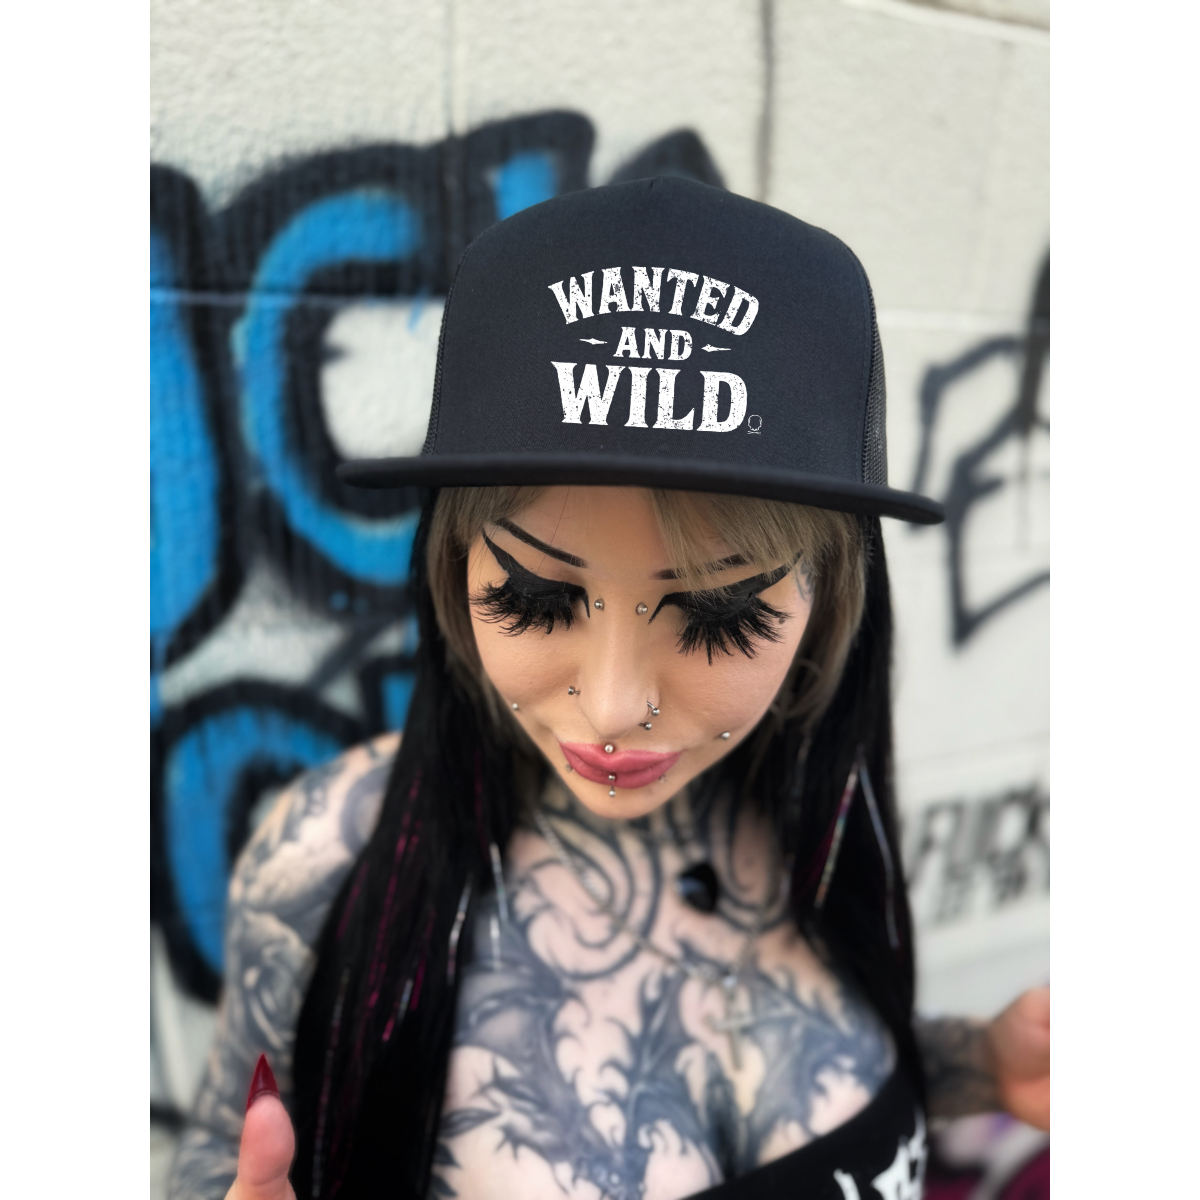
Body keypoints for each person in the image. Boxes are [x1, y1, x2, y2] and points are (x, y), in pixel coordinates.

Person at [169, 177, 1049, 1200]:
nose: (616, 704)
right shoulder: (330, 857)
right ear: (453, 566)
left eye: (719, 616)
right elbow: (223, 1147)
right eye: (537, 598)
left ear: (831, 600)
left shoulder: (815, 811)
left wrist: (977, 1064)